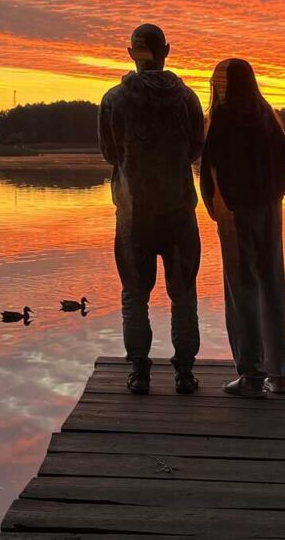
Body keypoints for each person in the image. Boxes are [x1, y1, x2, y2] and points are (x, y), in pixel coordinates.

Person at [98, 24, 205, 395]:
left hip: (133, 214)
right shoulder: (188, 99)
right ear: (167, 50)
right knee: (184, 294)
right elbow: (196, 149)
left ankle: (140, 373)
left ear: (131, 53)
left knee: (134, 294)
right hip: (179, 212)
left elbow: (110, 153)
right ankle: (185, 374)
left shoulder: (114, 100)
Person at [200, 58, 285, 398]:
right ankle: (279, 374)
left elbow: (209, 173)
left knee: (242, 290)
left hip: (235, 214)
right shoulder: (265, 115)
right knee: (273, 285)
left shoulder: (222, 120)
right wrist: (270, 196)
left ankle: (252, 376)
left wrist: (216, 207)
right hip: (270, 210)